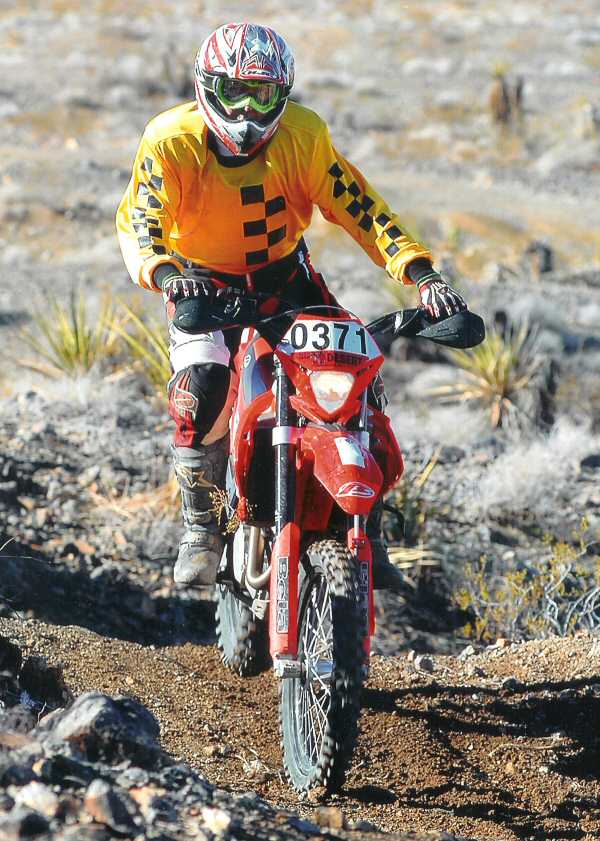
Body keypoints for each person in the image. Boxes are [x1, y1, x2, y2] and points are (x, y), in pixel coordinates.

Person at [116, 22, 467, 590]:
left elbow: (361, 208)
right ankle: (201, 522)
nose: (249, 112)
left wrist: (422, 275)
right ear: (206, 86)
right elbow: (142, 219)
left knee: (358, 378)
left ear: (285, 95)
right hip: (201, 283)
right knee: (202, 388)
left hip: (286, 277)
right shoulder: (169, 140)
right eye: (235, 93)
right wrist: (167, 274)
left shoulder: (304, 136)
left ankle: (367, 526)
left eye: (265, 95)